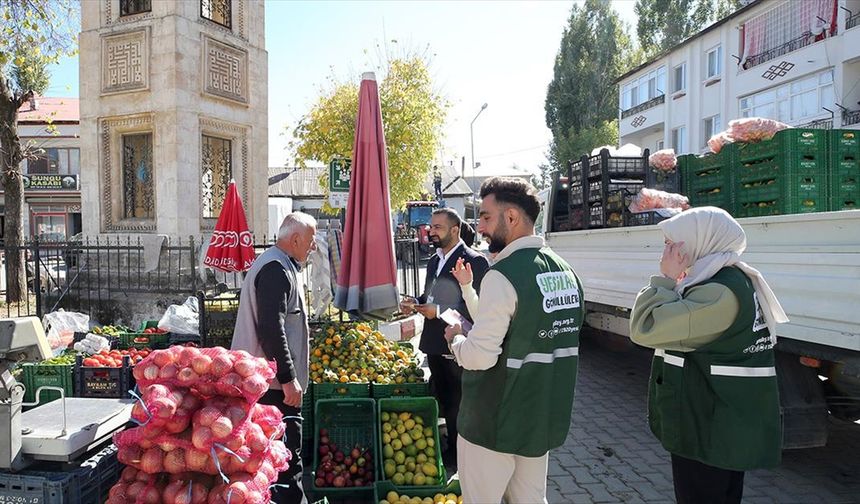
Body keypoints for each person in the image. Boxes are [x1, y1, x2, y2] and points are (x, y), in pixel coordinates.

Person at [629, 206, 788, 504]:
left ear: (700, 241)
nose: (666, 252)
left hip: (708, 426)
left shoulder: (717, 292)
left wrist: (666, 279)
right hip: (723, 420)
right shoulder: (730, 279)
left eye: (672, 244)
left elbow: (645, 328)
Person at [443, 177, 584, 504]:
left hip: (493, 420)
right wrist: (468, 289)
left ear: (511, 217)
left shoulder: (503, 274)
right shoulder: (566, 273)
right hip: (538, 419)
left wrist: (456, 339)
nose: (479, 227)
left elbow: (480, 356)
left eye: (486, 217)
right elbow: (521, 329)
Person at [232, 212, 317, 504]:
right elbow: (271, 329)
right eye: (311, 240)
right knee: (283, 461)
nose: (313, 246)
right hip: (272, 388)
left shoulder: (279, 264)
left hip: (268, 383)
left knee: (278, 460)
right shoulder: (275, 270)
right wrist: (288, 378)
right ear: (295, 239)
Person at [400, 207, 489, 468]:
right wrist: (416, 302)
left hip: (458, 345)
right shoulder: (434, 260)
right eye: (431, 227)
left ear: (455, 230)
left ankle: (463, 456)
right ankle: (452, 449)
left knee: (459, 403)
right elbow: (431, 296)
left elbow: (479, 307)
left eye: (438, 227)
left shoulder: (475, 260)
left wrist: (437, 311)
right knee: (446, 400)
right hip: (434, 343)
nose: (431, 232)